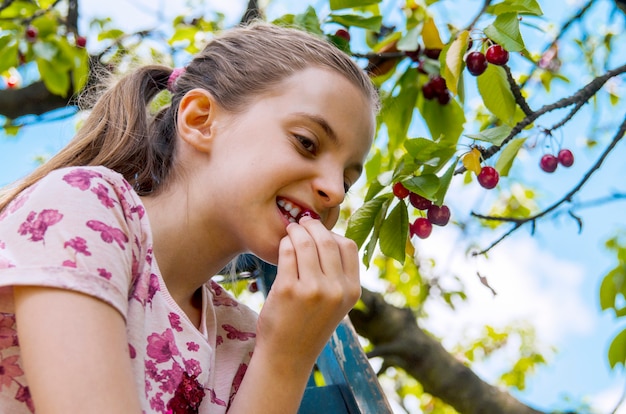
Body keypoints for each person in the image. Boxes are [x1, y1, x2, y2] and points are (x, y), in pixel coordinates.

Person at [0, 21, 378, 413]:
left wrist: (286, 358)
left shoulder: (242, 338)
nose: (334, 190)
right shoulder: (82, 206)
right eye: (307, 142)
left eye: (347, 182)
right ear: (200, 120)